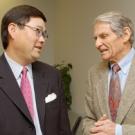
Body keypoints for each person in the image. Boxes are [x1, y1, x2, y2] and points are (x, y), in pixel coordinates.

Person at [0, 4, 71, 135]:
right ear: (13, 30)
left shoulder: (53, 75)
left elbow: (63, 129)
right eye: (37, 31)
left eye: (44, 34)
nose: (43, 39)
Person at [82, 11, 135, 135]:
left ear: (126, 34)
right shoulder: (93, 73)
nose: (97, 44)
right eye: (95, 38)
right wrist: (94, 131)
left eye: (104, 36)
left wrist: (119, 131)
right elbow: (88, 119)